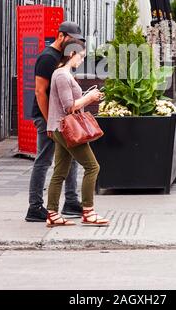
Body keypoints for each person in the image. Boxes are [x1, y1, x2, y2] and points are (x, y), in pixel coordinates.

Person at [46, 38, 109, 227]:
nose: (82, 60)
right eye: (81, 56)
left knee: (60, 171)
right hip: (67, 129)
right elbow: (68, 107)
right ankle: (88, 212)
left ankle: (52, 214)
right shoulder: (62, 76)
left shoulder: (61, 74)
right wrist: (89, 98)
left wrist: (87, 96)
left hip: (60, 128)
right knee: (93, 167)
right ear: (71, 54)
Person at [25, 22, 84, 222]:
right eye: (71, 38)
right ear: (61, 35)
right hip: (47, 118)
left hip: (60, 118)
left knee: (72, 158)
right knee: (44, 160)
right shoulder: (47, 58)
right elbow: (40, 92)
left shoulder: (61, 57)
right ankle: (34, 207)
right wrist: (50, 121)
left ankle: (71, 201)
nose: (74, 42)